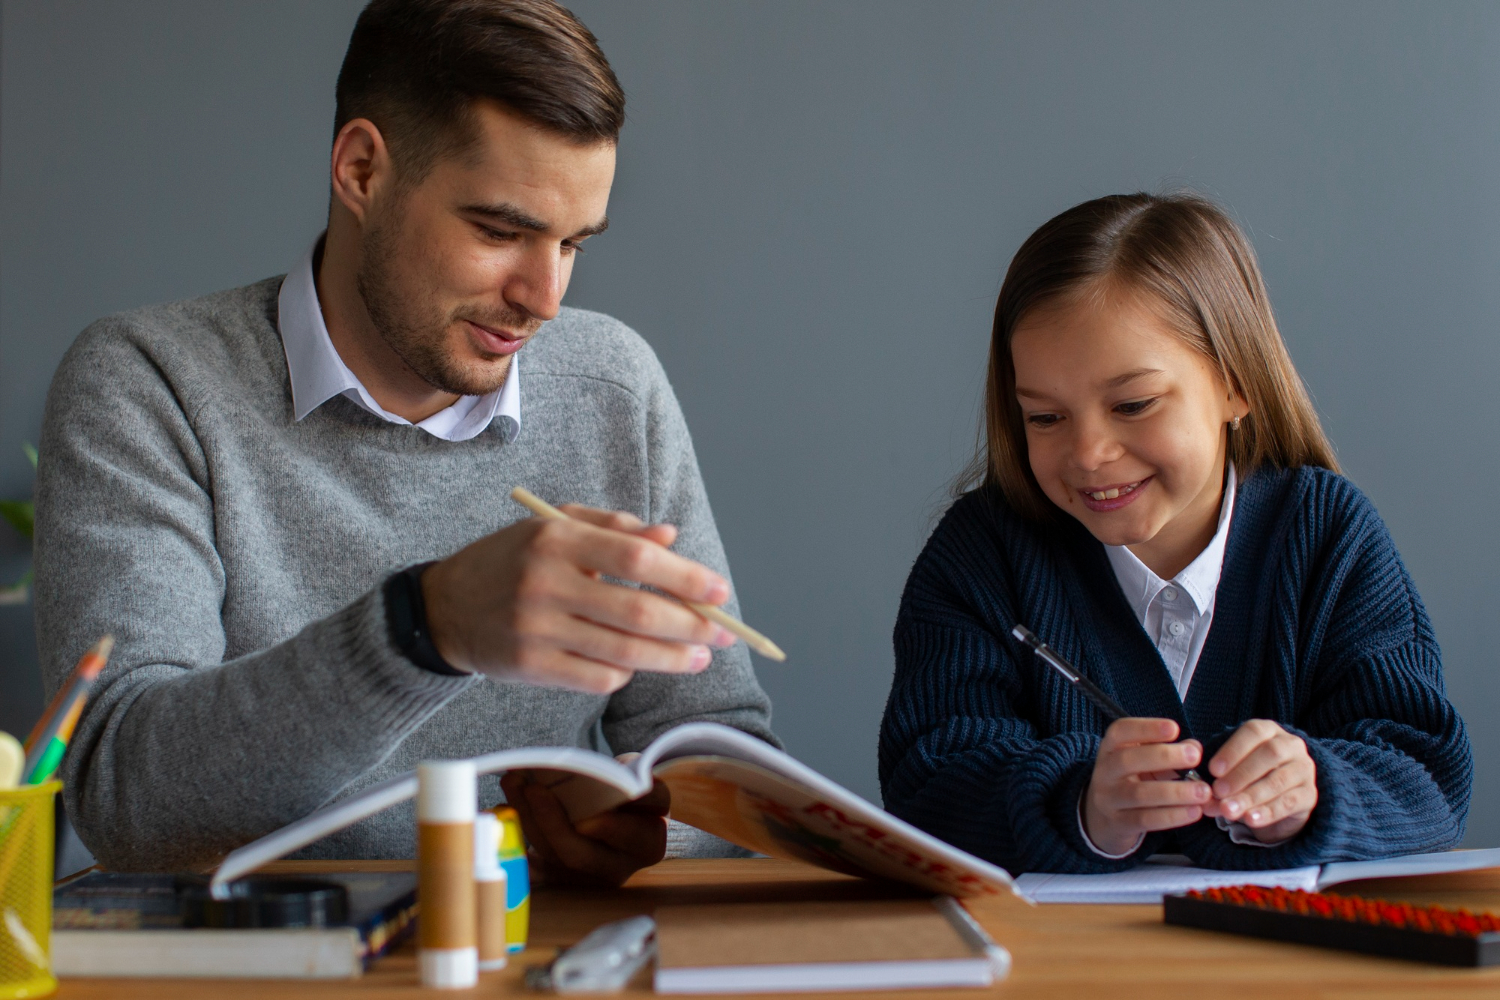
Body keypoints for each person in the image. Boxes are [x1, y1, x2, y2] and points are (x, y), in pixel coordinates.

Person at [33, 0, 777, 883]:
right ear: (361, 169)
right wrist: (424, 627)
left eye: (573, 242)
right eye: (500, 231)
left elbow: (717, 751)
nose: (543, 296)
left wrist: (646, 835)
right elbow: (125, 803)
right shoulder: (152, 384)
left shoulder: (610, 384)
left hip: (535, 957)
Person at [878, 193, 1471, 873]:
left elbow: (1424, 775)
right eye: (1045, 418)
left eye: (1133, 405)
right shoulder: (980, 556)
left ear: (1236, 384)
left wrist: (1311, 791)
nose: (1089, 453)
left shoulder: (1329, 535)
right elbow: (926, 781)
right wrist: (1078, 805)